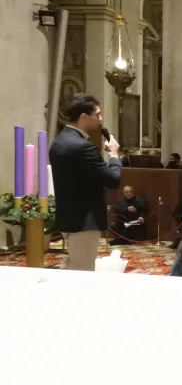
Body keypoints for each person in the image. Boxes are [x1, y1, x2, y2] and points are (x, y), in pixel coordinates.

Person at [49, 93, 121, 270]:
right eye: (97, 114)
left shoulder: (60, 141)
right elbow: (113, 180)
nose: (101, 118)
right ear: (83, 117)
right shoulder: (83, 147)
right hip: (85, 221)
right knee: (82, 273)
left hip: (70, 217)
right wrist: (113, 155)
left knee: (74, 267)